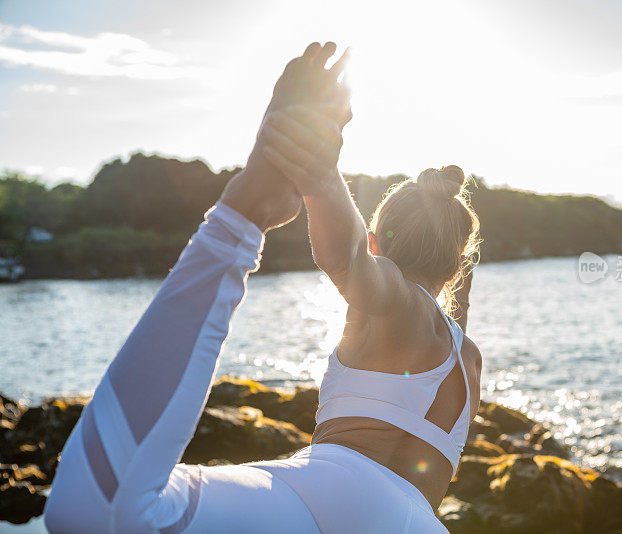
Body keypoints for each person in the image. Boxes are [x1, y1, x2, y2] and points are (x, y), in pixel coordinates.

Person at [44, 42, 481, 534]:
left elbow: (349, 259)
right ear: (460, 261)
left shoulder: (396, 300)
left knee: (100, 512)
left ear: (379, 243)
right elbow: (449, 300)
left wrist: (318, 173)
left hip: (336, 498)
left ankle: (244, 210)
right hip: (422, 524)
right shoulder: (466, 353)